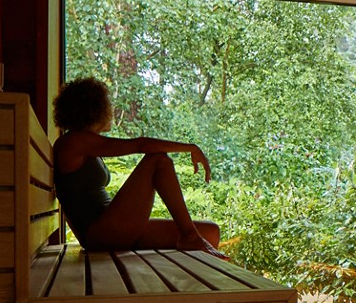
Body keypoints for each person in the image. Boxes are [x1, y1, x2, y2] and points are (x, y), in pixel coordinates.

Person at [52, 77, 226, 258]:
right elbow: (141, 145)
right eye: (108, 104)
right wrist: (191, 148)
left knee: (210, 232)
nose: (111, 110)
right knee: (158, 160)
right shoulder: (74, 141)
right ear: (96, 109)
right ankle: (190, 236)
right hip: (101, 234)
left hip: (113, 229)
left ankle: (191, 239)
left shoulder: (84, 143)